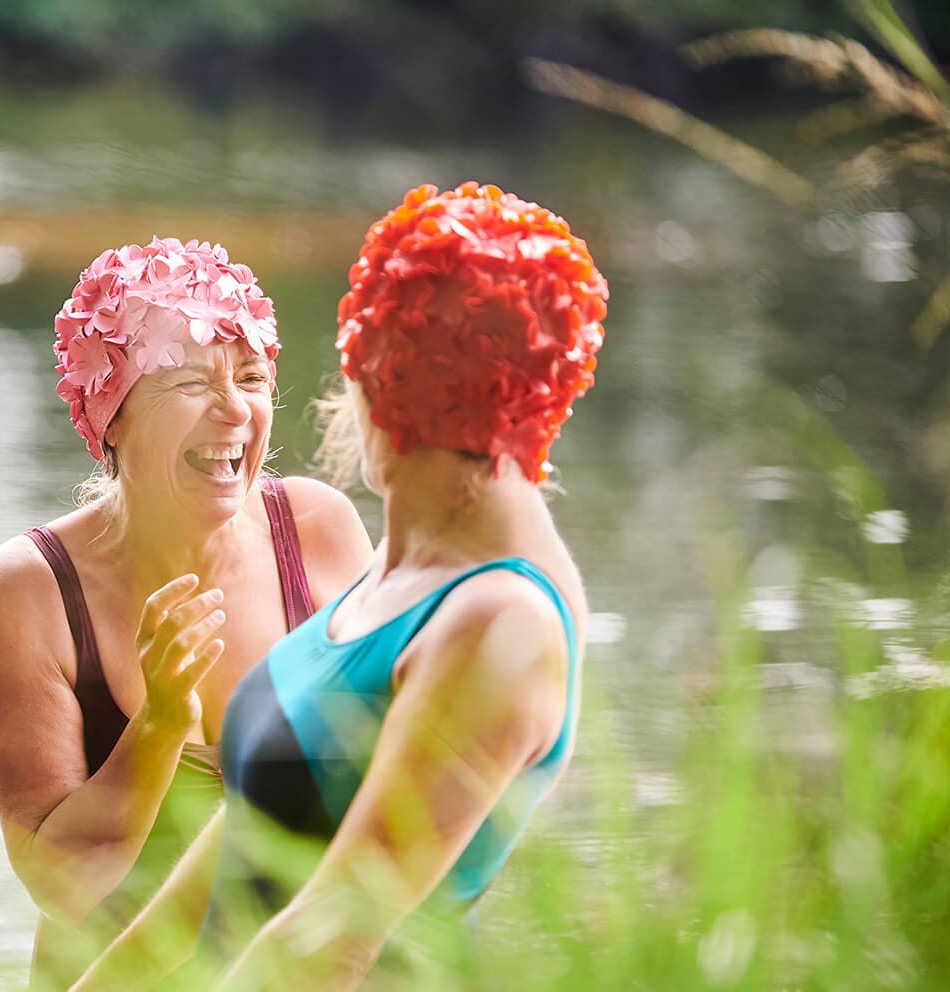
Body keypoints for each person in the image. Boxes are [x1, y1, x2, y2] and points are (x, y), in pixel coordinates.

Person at [74, 182, 610, 990]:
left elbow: (334, 944)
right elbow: (231, 858)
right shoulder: (392, 572)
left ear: (378, 372)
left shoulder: (500, 618)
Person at [0, 237, 375, 988]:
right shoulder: (30, 590)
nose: (234, 410)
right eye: (190, 382)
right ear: (111, 415)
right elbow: (60, 887)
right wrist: (157, 724)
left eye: (251, 377)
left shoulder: (319, 533)